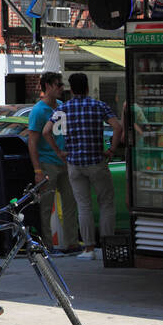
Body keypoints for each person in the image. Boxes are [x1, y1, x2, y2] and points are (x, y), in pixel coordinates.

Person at [46, 73, 124, 260]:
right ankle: (107, 247)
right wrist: (111, 149)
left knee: (83, 206)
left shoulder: (63, 109)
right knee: (106, 203)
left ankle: (89, 248)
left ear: (71, 89)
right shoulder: (98, 106)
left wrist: (59, 152)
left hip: (74, 164)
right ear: (87, 88)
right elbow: (117, 126)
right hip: (97, 161)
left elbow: (46, 131)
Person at [27, 72, 79, 254]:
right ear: (47, 86)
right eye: (58, 85)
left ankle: (72, 243)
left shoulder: (63, 107)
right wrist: (37, 169)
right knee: (46, 206)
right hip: (47, 163)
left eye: (61, 85)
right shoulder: (38, 111)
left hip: (65, 162)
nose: (61, 88)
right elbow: (32, 141)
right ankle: (47, 245)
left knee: (70, 203)